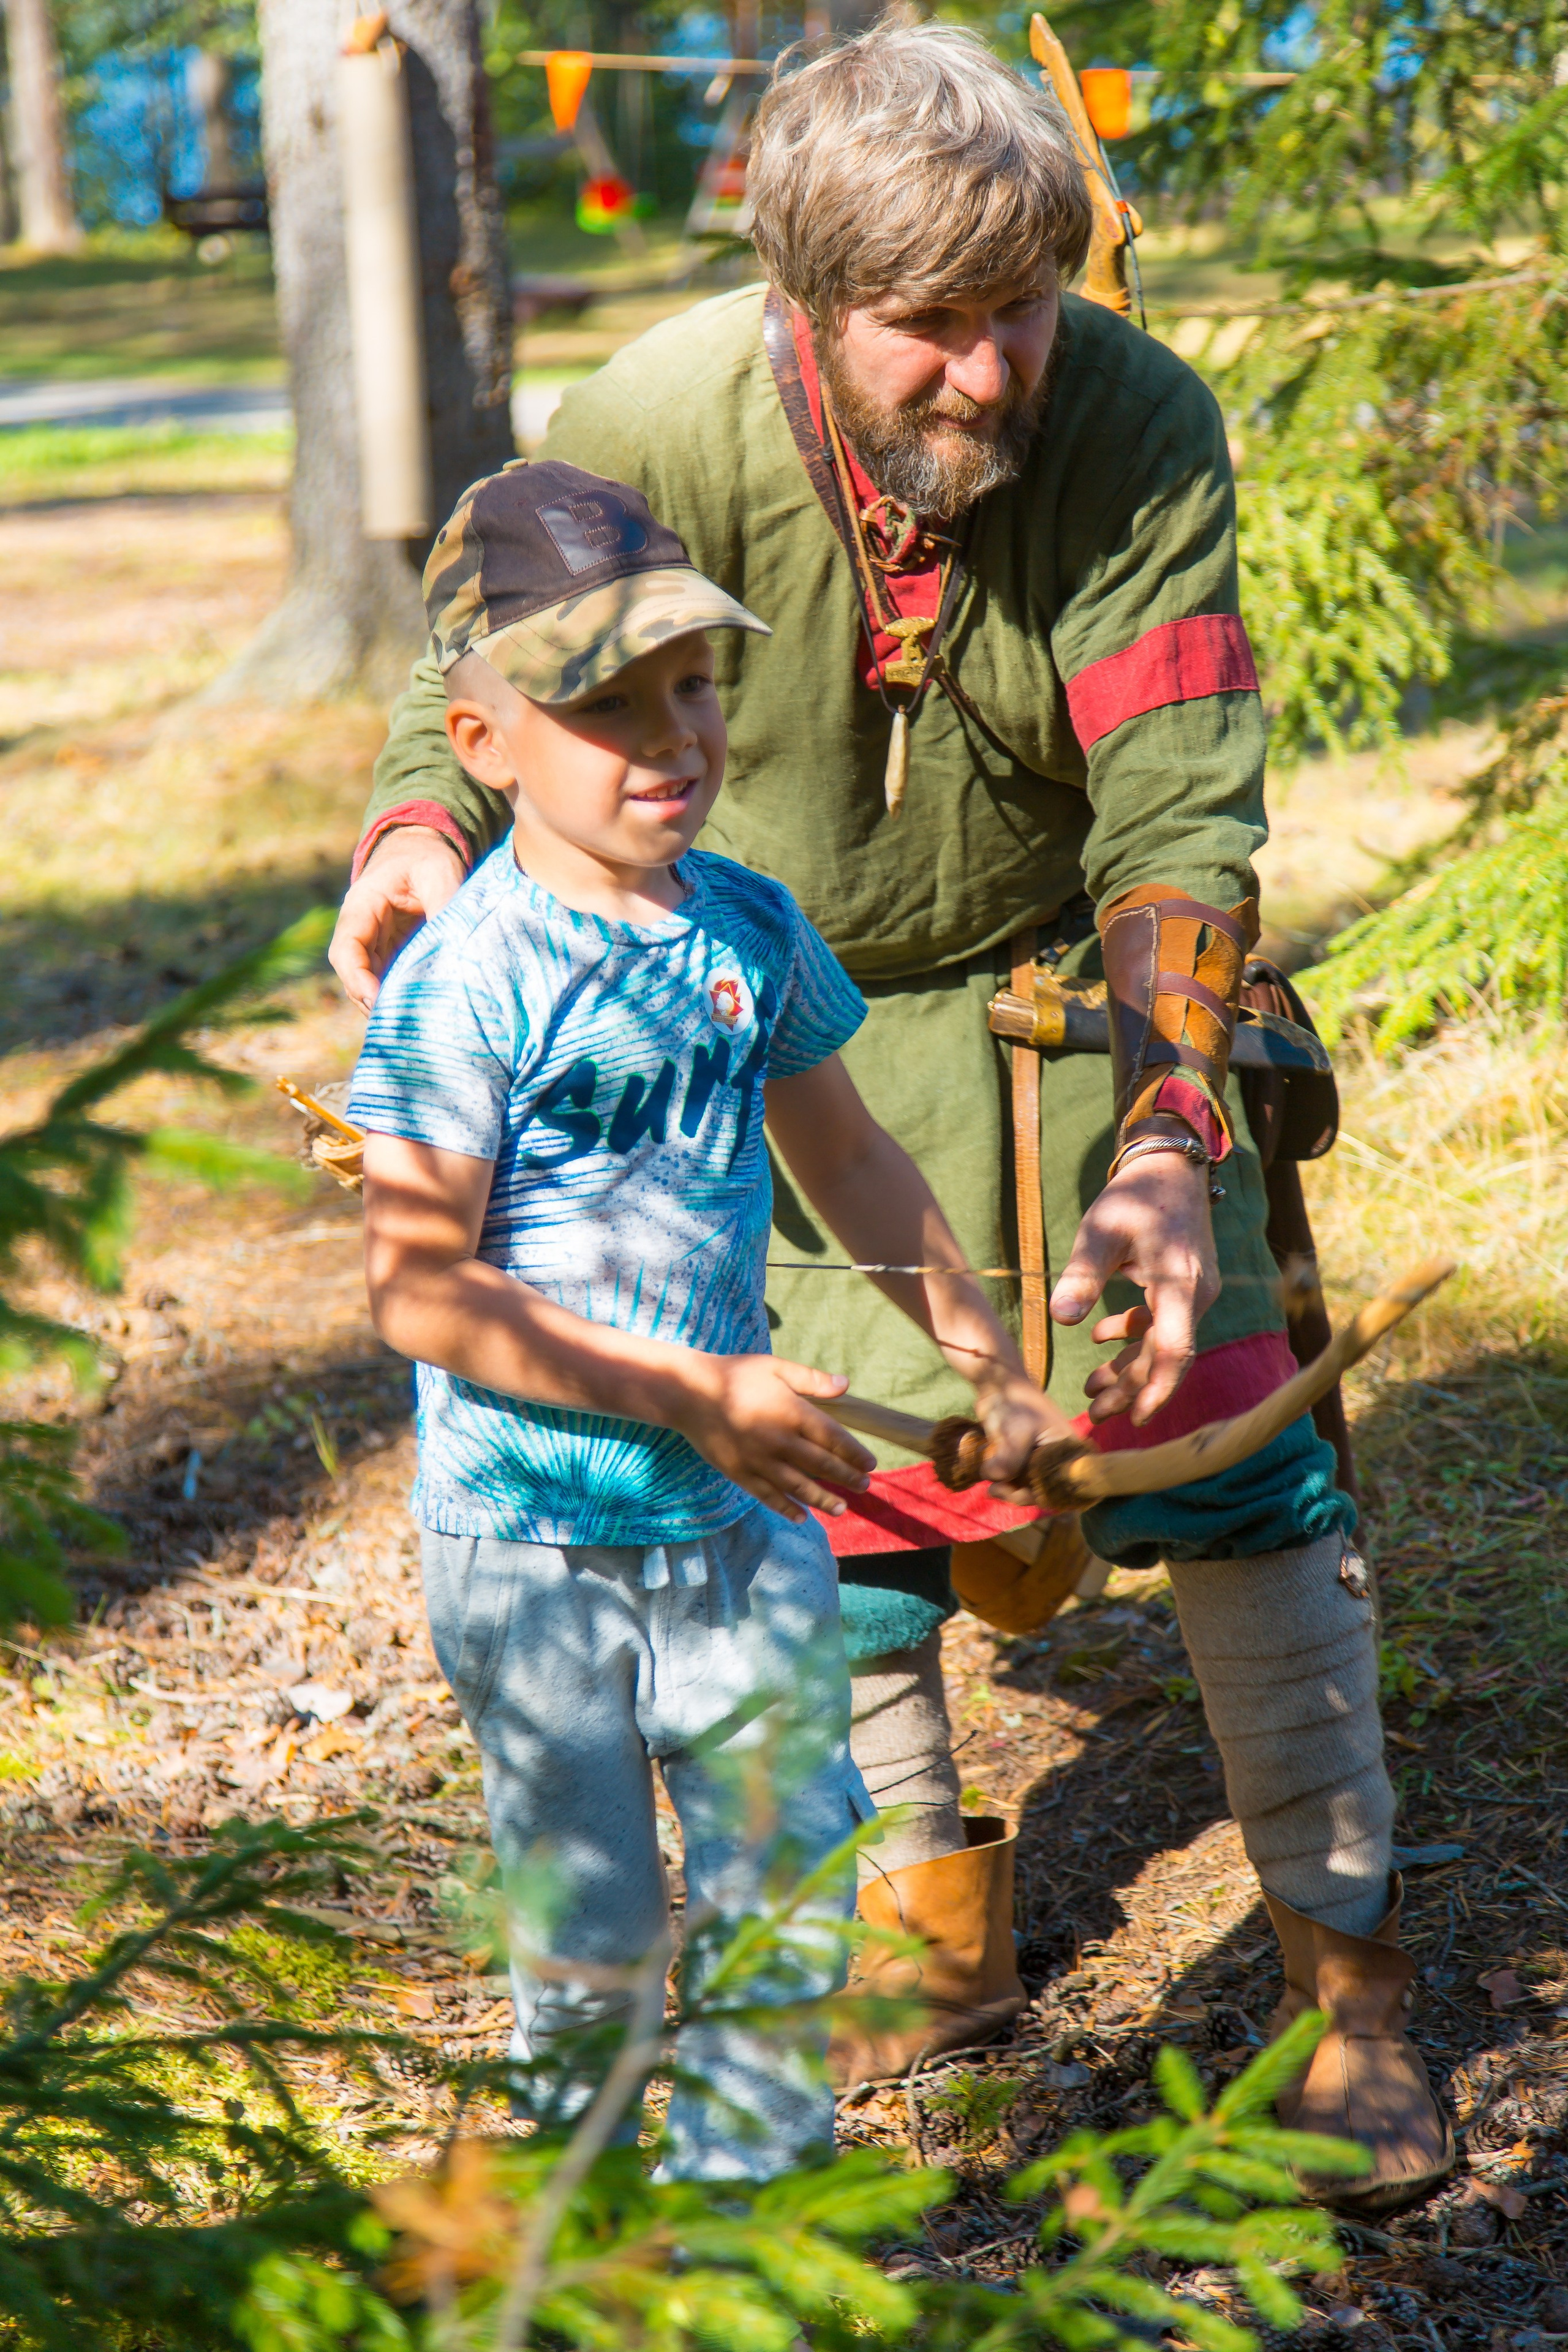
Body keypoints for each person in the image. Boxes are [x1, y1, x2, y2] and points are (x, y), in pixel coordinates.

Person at [331, 18, 1452, 2209]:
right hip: (787, 1027)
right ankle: (925, 1935)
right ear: (802, 309)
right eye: (926, 330)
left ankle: (1357, 1997)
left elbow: (1181, 814)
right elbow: (480, 672)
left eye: (1020, 310)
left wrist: (1164, 1148)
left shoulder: (1137, 424)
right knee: (828, 1499)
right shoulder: (656, 416)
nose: (988, 371)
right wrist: (414, 833)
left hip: (1101, 1014)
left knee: (1232, 1467)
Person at [348, 458, 1063, 2179]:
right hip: (532, 1541)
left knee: (780, 1906)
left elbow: (857, 1159)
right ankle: (583, 2247)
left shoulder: (751, 928)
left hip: (739, 1530)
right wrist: (684, 1390)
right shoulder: (466, 982)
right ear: (484, 743)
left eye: (692, 680)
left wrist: (989, 1359)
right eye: (607, 701)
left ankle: (756, 2243)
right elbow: (420, 1290)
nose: (673, 733)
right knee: (586, 1949)